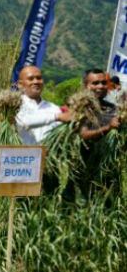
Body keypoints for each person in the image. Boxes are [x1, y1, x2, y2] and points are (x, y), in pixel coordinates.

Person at [65, 69, 122, 203]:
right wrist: (108, 127)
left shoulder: (113, 108)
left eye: (103, 83)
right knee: (80, 210)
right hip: (83, 170)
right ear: (85, 86)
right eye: (95, 83)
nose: (101, 86)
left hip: (106, 171)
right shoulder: (80, 108)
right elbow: (84, 134)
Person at [15, 66, 71, 195]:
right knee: (23, 206)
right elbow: (23, 122)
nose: (36, 81)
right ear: (20, 84)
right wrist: (56, 117)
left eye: (39, 78)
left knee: (48, 202)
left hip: (49, 165)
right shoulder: (15, 105)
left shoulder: (53, 107)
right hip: (22, 165)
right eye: (30, 79)